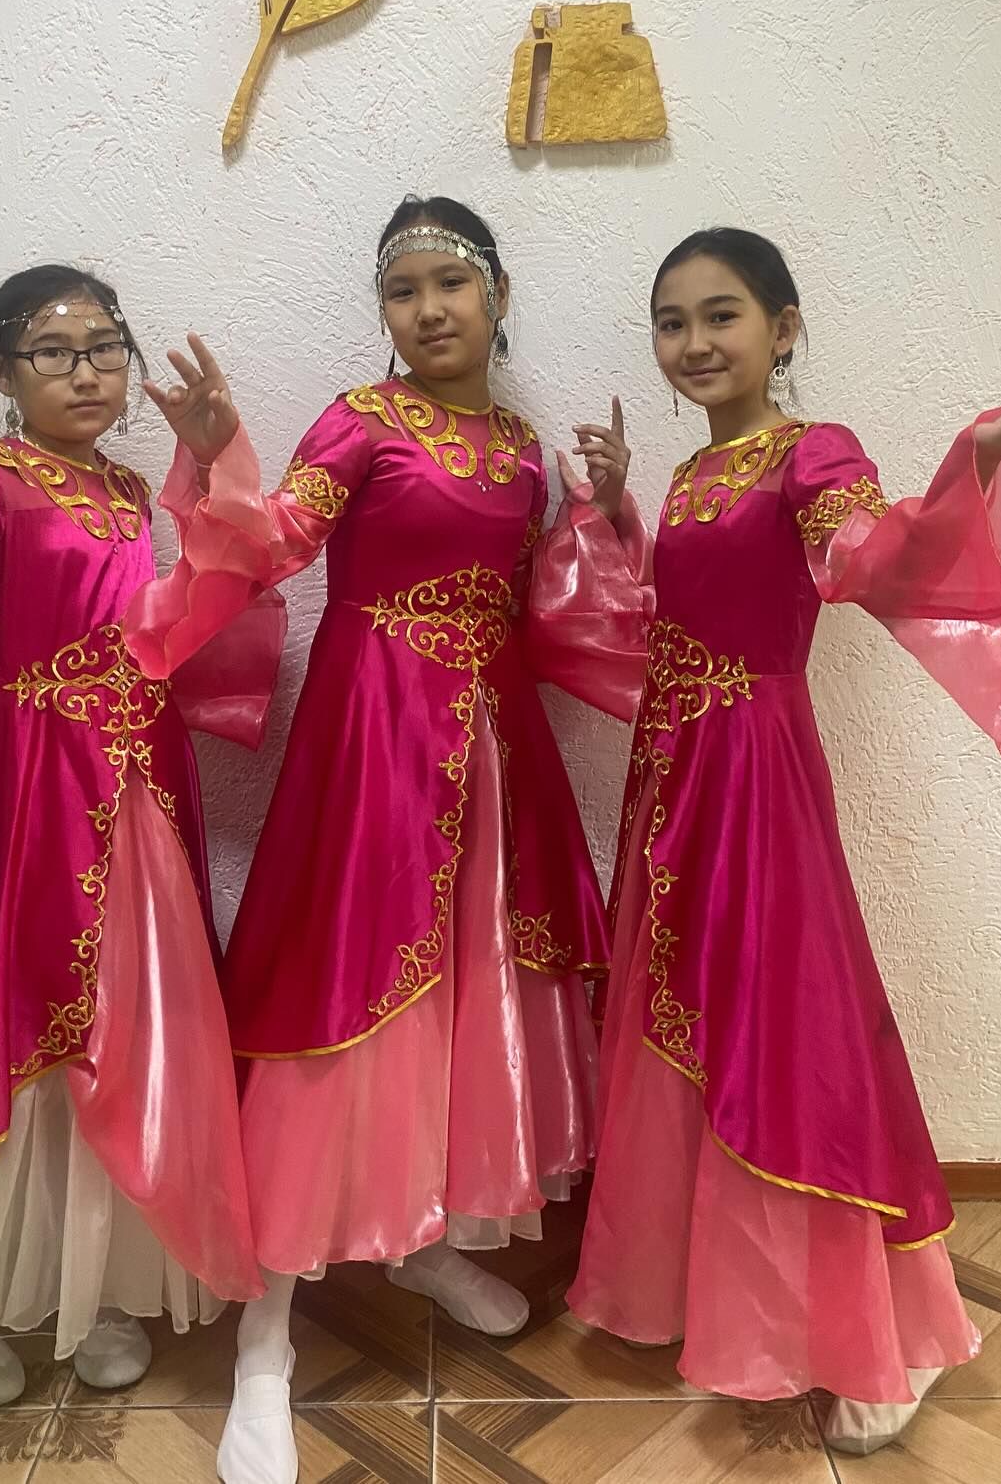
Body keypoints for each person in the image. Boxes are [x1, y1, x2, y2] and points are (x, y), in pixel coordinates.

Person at [131, 197, 648, 1484]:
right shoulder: (359, 422)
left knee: (470, 1006)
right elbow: (274, 539)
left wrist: (606, 512)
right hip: (370, 748)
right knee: (339, 1003)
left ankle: (421, 1238)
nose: (426, 309)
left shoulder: (523, 452)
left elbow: (556, 610)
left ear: (497, 294)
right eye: (402, 289)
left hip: (494, 755)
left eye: (448, 284)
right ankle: (266, 1339)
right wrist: (218, 451)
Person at [567, 226, 1001, 1456]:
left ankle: (888, 1330)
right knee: (691, 1017)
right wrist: (624, 507)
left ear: (784, 327)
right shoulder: (697, 473)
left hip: (754, 772)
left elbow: (865, 555)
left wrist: (973, 462)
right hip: (674, 774)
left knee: (793, 1028)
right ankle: (725, 1293)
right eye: (672, 320)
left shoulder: (816, 452)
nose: (695, 341)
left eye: (723, 314)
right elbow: (677, 606)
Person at [0, 266, 280, 1408]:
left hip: (135, 789)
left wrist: (213, 459)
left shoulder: (129, 490)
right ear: (3, 370)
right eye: (51, 351)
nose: (84, 372)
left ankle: (98, 1287)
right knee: (9, 1021)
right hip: (29, 792)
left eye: (103, 349)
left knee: (130, 1031)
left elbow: (209, 594)